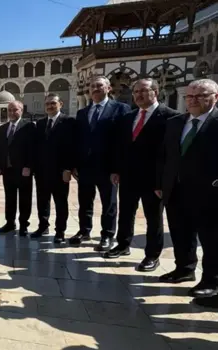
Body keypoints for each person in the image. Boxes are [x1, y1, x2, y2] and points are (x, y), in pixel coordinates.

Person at [106, 78, 178, 271]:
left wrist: (163, 181)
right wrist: (116, 169)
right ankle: (123, 244)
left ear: (155, 92)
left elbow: (170, 153)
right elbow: (121, 147)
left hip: (154, 180)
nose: (138, 95)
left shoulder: (170, 117)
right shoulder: (129, 117)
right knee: (126, 213)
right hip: (129, 176)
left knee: (153, 218)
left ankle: (152, 255)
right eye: (136, 92)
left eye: (143, 91)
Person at [156, 79, 218, 303]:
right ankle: (184, 268)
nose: (193, 100)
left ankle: (211, 281)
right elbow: (165, 156)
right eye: (190, 97)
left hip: (208, 193)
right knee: (181, 233)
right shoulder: (176, 122)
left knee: (210, 239)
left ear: (215, 97)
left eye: (200, 96)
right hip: (176, 190)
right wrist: (160, 183)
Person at [69, 75, 131, 251]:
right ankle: (84, 230)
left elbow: (123, 141)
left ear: (108, 88)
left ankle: (107, 235)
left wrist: (118, 167)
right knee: (85, 201)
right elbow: (78, 141)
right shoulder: (83, 113)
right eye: (92, 86)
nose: (95, 89)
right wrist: (75, 164)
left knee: (109, 203)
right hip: (86, 167)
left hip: (108, 167)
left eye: (99, 86)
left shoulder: (120, 109)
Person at [33, 94, 75, 243]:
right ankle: (43, 226)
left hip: (60, 171)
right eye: (48, 104)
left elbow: (71, 147)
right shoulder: (40, 123)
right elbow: (36, 147)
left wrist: (68, 169)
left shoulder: (68, 122)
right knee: (42, 201)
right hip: (42, 171)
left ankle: (60, 231)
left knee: (60, 202)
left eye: (53, 103)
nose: (50, 106)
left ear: (60, 104)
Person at [0, 101, 35, 236]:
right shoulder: (3, 128)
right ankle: (10, 222)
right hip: (8, 170)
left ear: (21, 110)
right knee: (10, 197)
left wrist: (29, 166)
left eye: (15, 110)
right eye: (10, 110)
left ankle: (24, 224)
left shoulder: (28, 126)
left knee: (24, 198)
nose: (12, 112)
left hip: (23, 170)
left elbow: (32, 149)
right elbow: (0, 149)